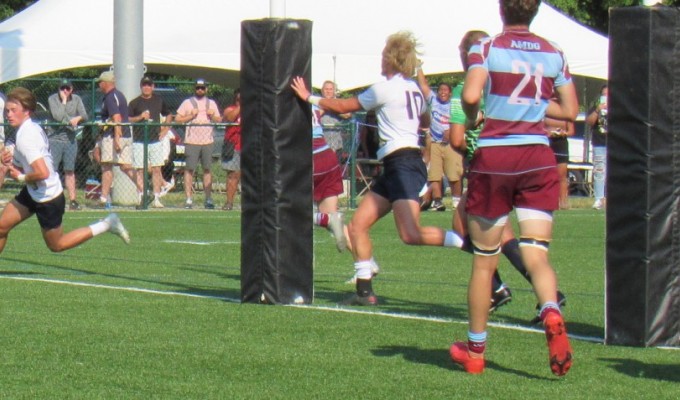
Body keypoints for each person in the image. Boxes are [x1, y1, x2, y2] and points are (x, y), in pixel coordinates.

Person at [292, 31, 469, 306]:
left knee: (410, 234)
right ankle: (365, 291)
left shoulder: (385, 88)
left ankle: (463, 242)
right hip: (397, 163)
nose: (381, 60)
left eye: (384, 54)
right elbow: (423, 117)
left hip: (403, 164)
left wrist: (309, 97)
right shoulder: (414, 89)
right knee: (358, 225)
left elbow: (343, 105)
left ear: (391, 59)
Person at [451, 0, 577, 377]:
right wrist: (535, 104)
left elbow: (471, 97)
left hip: (496, 159)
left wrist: (475, 115)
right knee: (536, 254)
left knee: (484, 260)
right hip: (538, 157)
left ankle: (475, 353)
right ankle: (550, 310)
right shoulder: (554, 52)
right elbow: (570, 110)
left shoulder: (485, 47)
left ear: (502, 9)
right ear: (534, 11)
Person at [450, 30, 566, 316]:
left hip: (490, 163)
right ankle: (548, 298)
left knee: (465, 229)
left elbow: (455, 138)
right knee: (527, 243)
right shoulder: (512, 74)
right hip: (532, 159)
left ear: (466, 55)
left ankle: (495, 292)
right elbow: (566, 108)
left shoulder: (465, 87)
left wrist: (471, 139)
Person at [0, 87, 129, 256]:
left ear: (27, 111)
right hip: (34, 191)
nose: (8, 114)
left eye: (13, 110)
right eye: (7, 110)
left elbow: (43, 173)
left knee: (57, 245)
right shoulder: (27, 129)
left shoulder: (26, 136)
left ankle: (106, 224)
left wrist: (20, 176)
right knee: (2, 226)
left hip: (48, 197)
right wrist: (11, 164)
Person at [416, 65, 463, 211]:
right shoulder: (433, 100)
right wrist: (419, 67)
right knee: (434, 174)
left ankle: (457, 201)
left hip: (450, 143)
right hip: (435, 142)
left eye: (445, 90)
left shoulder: (455, 104)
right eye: (440, 90)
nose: (442, 93)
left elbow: (462, 120)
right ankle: (438, 201)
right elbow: (423, 85)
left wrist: (451, 131)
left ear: (450, 93)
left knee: (453, 174)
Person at [175, 79, 221, 209]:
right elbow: (177, 119)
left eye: (202, 88)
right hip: (192, 141)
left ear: (206, 89)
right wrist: (190, 116)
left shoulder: (211, 103)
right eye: (198, 88)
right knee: (189, 169)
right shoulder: (187, 103)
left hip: (207, 140)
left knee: (207, 169)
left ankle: (208, 199)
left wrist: (212, 116)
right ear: (195, 89)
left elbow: (219, 119)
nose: (200, 90)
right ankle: (188, 198)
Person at [128, 76, 173, 208]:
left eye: (149, 85)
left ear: (153, 86)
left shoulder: (158, 100)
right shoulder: (134, 102)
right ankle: (142, 196)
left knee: (157, 169)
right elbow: (128, 119)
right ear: (141, 86)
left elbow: (169, 114)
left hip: (155, 140)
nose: (146, 87)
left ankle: (156, 198)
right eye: (144, 85)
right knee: (140, 169)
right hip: (139, 140)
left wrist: (165, 128)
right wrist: (140, 117)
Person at [311, 104, 350, 252]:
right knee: (333, 217)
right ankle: (365, 263)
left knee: (286, 211)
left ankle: (326, 219)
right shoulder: (311, 102)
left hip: (312, 157)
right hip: (328, 155)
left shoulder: (289, 102)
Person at [47, 79, 88, 211]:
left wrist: (78, 118)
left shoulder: (76, 99)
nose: (65, 91)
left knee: (70, 170)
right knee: (52, 170)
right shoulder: (52, 99)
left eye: (68, 88)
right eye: (62, 88)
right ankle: (51, 198)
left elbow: (85, 115)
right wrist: (64, 101)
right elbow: (58, 116)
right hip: (55, 139)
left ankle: (73, 200)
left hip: (70, 139)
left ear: (71, 89)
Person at [96, 70, 135, 210]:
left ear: (105, 83)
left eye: (100, 82)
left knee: (107, 166)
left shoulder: (110, 97)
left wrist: (116, 138)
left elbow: (117, 118)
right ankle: (144, 191)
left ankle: (103, 198)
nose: (99, 85)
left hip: (114, 136)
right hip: (126, 134)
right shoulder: (120, 95)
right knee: (126, 166)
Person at [586, 84, 608, 210]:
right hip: (599, 143)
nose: (606, 97)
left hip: (615, 144)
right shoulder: (596, 107)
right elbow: (589, 122)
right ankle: (599, 198)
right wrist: (598, 110)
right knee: (599, 171)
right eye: (604, 94)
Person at [546, 115, 574, 210]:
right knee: (547, 174)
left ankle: (563, 201)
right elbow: (537, 127)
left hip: (561, 144)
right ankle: (549, 201)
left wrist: (563, 133)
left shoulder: (566, 113)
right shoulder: (545, 110)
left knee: (562, 175)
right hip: (547, 143)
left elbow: (571, 131)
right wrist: (547, 132)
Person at [221, 89, 241, 211]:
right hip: (234, 146)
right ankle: (229, 202)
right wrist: (241, 106)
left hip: (250, 146)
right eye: (239, 99)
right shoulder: (230, 109)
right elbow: (230, 117)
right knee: (233, 175)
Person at [320, 80, 352, 155]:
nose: (328, 91)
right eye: (326, 89)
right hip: (321, 144)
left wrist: (331, 107)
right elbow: (315, 115)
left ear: (334, 91)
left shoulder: (339, 102)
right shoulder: (317, 102)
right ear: (322, 91)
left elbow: (347, 114)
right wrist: (325, 106)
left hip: (337, 145)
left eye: (330, 89)